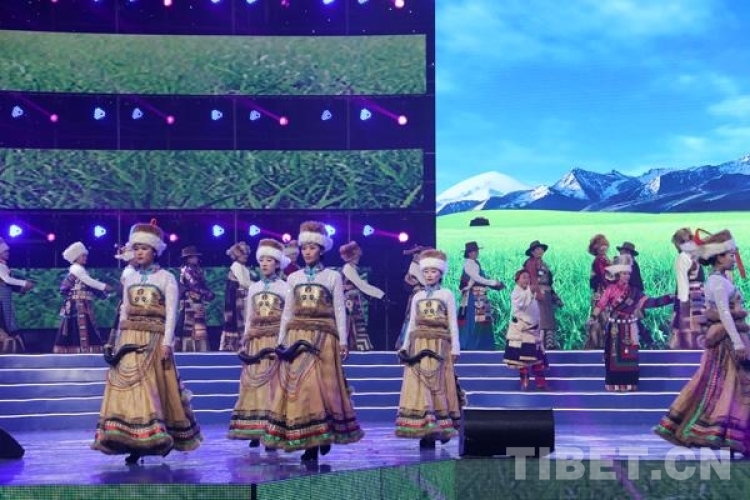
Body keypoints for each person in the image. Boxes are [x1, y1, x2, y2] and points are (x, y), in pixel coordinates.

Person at [92, 219, 202, 464]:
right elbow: (124, 310)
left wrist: (167, 343)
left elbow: (172, 313)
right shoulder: (130, 278)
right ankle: (132, 440)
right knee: (129, 387)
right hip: (129, 338)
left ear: (155, 250)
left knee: (151, 389)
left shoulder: (166, 278)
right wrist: (118, 341)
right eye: (136, 248)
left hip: (153, 339)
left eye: (144, 248)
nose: (139, 252)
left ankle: (153, 438)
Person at [262, 221, 364, 462]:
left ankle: (323, 434)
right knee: (303, 387)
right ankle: (311, 440)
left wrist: (343, 341)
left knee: (324, 388)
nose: (307, 252)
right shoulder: (293, 278)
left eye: (312, 247)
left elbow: (339, 309)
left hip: (324, 338)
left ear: (321, 249)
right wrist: (281, 340)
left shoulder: (332, 276)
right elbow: (287, 311)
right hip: (298, 336)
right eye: (304, 248)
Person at [654, 229, 750, 455]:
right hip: (726, 343)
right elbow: (724, 314)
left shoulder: (722, 280)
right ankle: (726, 434)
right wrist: (738, 343)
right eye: (730, 255)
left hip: (732, 337)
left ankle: (737, 437)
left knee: (735, 388)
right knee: (729, 387)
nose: (734, 259)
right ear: (719, 257)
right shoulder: (717, 283)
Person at [395, 249, 461, 447]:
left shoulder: (446, 294)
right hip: (419, 344)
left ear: (440, 273)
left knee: (438, 384)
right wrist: (405, 346)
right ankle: (427, 431)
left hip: (439, 345)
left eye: (433, 271)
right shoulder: (418, 296)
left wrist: (456, 347)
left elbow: (452, 322)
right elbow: (412, 323)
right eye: (426, 271)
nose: (429, 275)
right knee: (421, 384)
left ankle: (442, 427)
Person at [228, 239, 290, 448]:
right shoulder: (254, 287)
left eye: (269, 260)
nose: (264, 264)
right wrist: (245, 339)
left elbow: (287, 317)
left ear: (277, 263)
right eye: (262, 260)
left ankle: (272, 430)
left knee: (274, 384)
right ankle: (254, 429)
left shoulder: (285, 287)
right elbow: (249, 316)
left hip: (274, 340)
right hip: (255, 341)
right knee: (253, 383)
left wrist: (282, 341)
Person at [588, 255, 673, 392]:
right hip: (615, 329)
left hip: (630, 328)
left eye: (628, 273)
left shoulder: (634, 292)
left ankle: (629, 384)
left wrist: (668, 298)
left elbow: (649, 302)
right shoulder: (610, 289)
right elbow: (601, 304)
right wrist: (593, 316)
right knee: (614, 357)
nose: (627, 276)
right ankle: (615, 385)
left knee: (629, 357)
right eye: (624, 273)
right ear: (618, 274)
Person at [53, 241, 114, 353]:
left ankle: (83, 349)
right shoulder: (77, 270)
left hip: (83, 305)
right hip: (77, 305)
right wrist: (104, 287)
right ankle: (79, 349)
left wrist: (103, 294)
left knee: (85, 324)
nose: (85, 258)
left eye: (85, 255)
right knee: (76, 326)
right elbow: (89, 282)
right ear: (76, 257)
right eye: (83, 255)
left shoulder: (81, 270)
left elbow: (89, 286)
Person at [504, 269, 549, 390]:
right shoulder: (516, 293)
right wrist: (531, 290)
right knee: (522, 361)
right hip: (521, 330)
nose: (526, 280)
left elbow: (540, 299)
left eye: (528, 278)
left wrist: (536, 289)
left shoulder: (530, 292)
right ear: (517, 280)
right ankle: (525, 381)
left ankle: (541, 383)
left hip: (533, 331)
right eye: (524, 277)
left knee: (537, 360)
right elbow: (522, 305)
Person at [458, 241, 504, 351]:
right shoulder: (469, 264)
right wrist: (494, 283)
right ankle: (472, 345)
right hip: (474, 296)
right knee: (474, 320)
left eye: (476, 251)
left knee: (480, 320)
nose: (476, 253)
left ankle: (481, 345)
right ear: (469, 253)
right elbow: (477, 278)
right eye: (473, 251)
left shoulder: (474, 263)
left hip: (479, 294)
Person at [339, 241, 384, 351]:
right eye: (357, 249)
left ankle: (357, 347)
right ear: (354, 253)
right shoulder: (348, 267)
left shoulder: (354, 267)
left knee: (357, 324)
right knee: (352, 324)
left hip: (356, 300)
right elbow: (361, 285)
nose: (360, 250)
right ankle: (352, 347)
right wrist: (380, 294)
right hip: (350, 301)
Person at [668, 228, 707, 349]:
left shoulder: (683, 257)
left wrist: (679, 309)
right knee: (697, 330)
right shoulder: (695, 256)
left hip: (689, 299)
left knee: (683, 330)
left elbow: (682, 286)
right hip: (699, 298)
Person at [523, 240, 562, 351]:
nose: (540, 251)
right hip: (537, 294)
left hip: (547, 295)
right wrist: (538, 293)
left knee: (548, 319)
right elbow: (532, 279)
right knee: (540, 320)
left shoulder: (543, 264)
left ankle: (549, 343)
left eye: (541, 249)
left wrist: (555, 297)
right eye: (537, 249)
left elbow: (549, 282)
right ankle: (537, 344)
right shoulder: (530, 263)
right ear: (532, 252)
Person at [220, 242, 258, 352]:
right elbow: (243, 282)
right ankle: (234, 347)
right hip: (236, 302)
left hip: (243, 300)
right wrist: (258, 286)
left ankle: (243, 347)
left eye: (246, 254)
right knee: (237, 324)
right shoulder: (236, 266)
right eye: (242, 254)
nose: (245, 256)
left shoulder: (243, 267)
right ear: (237, 256)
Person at [616, 241, 655, 348]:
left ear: (629, 253)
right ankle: (646, 341)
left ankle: (648, 341)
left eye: (623, 251)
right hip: (632, 295)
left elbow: (634, 284)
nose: (621, 253)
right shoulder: (627, 263)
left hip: (633, 296)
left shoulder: (631, 265)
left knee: (634, 319)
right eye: (621, 251)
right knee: (632, 320)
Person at [176, 246, 215, 352]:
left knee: (199, 325)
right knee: (191, 326)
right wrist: (207, 293)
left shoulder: (196, 270)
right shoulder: (186, 271)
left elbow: (202, 285)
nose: (196, 259)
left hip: (197, 302)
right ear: (188, 258)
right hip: (190, 303)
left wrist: (208, 292)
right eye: (194, 257)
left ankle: (199, 348)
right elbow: (194, 286)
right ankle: (190, 348)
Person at [0, 237, 34, 353]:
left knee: (10, 324)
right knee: (6, 325)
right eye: (5, 252)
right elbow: (7, 280)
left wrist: (21, 289)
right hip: (1, 302)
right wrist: (24, 283)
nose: (8, 253)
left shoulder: (4, 266)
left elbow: (7, 285)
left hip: (5, 302)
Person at [395, 245, 428, 349]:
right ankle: (409, 343)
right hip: (418, 294)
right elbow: (424, 282)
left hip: (422, 294)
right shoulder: (414, 266)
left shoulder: (419, 266)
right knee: (414, 318)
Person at [584, 234, 611, 349]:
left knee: (603, 317)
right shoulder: (599, 260)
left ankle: (601, 343)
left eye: (605, 245)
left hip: (604, 290)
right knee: (601, 316)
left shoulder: (605, 258)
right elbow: (603, 276)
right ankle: (597, 344)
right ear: (596, 248)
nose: (603, 247)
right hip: (601, 291)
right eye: (601, 245)